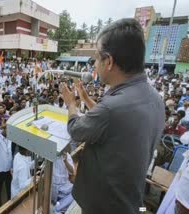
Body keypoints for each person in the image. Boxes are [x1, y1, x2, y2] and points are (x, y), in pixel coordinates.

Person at [61, 19, 165, 213]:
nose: (95, 64)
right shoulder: (154, 98)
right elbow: (113, 122)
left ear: (108, 62)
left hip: (103, 206)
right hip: (126, 200)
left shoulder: (112, 109)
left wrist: (71, 104)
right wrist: (86, 99)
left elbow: (76, 130)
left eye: (96, 58)